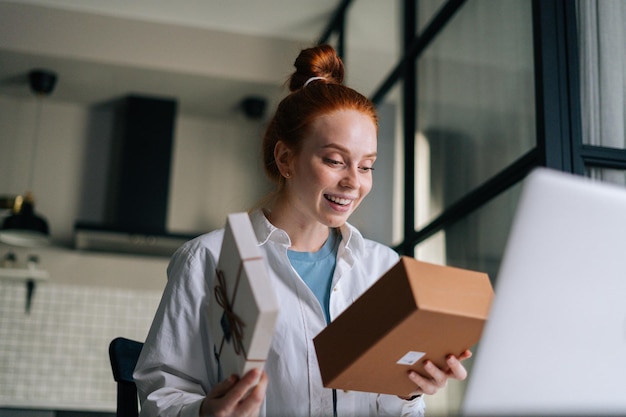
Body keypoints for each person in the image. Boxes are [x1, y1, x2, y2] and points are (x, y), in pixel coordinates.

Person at [134, 44, 471, 417]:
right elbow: (160, 398)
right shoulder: (208, 259)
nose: (352, 182)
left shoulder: (383, 269)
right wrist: (204, 413)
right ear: (285, 158)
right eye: (334, 160)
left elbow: (398, 410)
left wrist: (408, 392)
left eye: (366, 166)